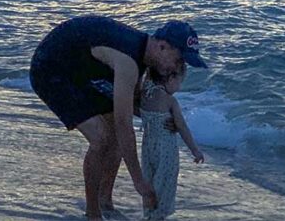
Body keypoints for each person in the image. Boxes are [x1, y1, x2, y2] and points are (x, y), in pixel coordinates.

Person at [29, 17, 207, 220]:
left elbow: (136, 107)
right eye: (179, 60)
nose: (178, 68)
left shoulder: (143, 56)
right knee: (102, 138)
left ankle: (105, 202)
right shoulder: (128, 62)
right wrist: (139, 182)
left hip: (85, 70)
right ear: (162, 46)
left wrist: (165, 119)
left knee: (114, 137)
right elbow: (124, 124)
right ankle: (93, 213)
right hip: (50, 68)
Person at [139, 64, 204, 221]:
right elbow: (182, 127)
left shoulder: (144, 95)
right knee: (164, 182)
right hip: (166, 149)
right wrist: (195, 150)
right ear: (171, 78)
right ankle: (158, 216)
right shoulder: (170, 101)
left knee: (149, 179)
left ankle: (150, 214)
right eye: (180, 82)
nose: (179, 87)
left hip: (148, 147)